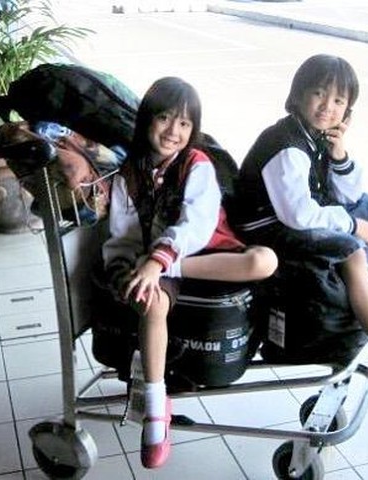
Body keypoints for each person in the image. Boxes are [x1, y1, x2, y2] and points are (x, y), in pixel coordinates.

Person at [236, 54, 368, 408]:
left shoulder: (316, 137)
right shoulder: (286, 144)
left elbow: (348, 196)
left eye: (339, 101)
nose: (328, 107)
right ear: (298, 95)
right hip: (267, 230)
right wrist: (351, 224)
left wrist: (339, 154)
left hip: (292, 218)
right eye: (319, 94)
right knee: (350, 250)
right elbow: (298, 215)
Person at [102, 77, 278, 469]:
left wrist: (158, 261)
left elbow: (196, 224)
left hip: (201, 254)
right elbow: (122, 237)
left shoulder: (196, 163)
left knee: (264, 261)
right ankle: (155, 408)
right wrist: (126, 272)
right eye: (165, 118)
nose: (173, 131)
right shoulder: (129, 174)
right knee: (151, 303)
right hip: (157, 265)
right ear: (147, 119)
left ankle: (161, 270)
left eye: (184, 123)